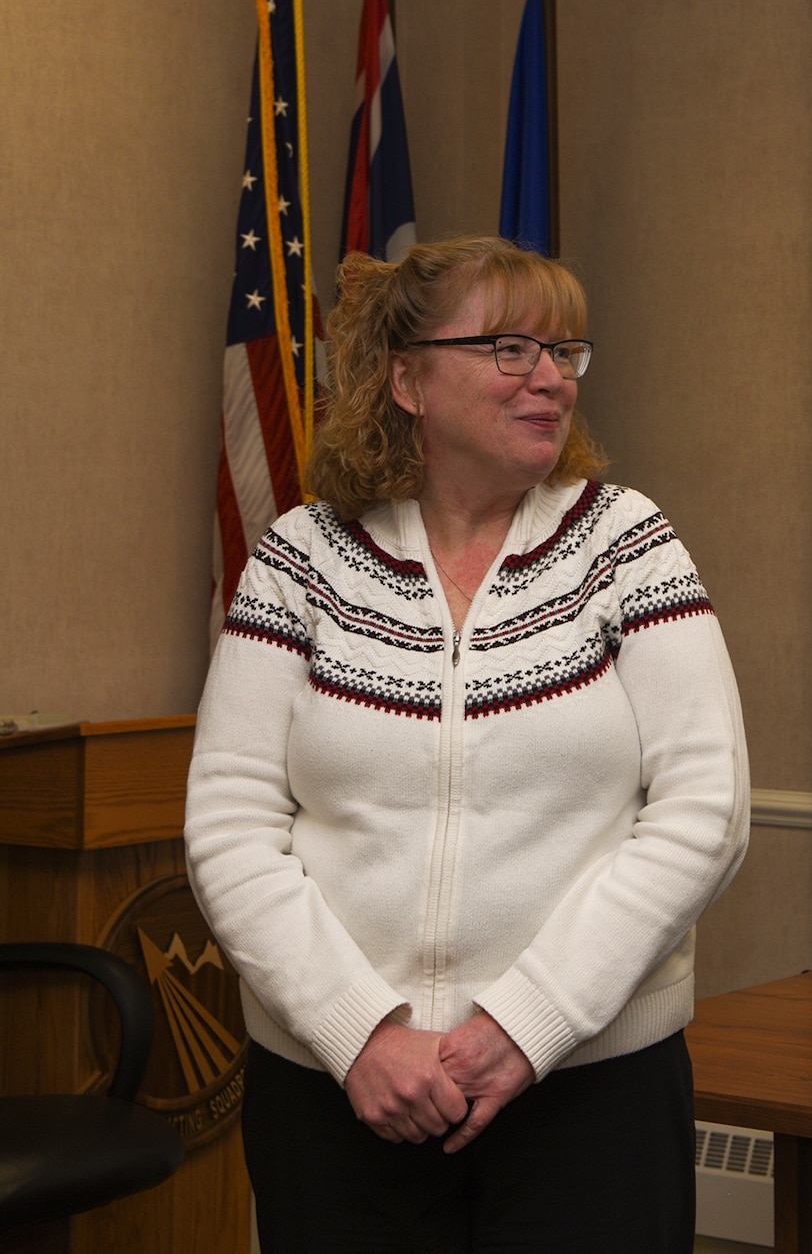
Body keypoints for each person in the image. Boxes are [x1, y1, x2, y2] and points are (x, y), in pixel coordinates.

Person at [185, 237, 750, 1252]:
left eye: (562, 352)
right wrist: (360, 1029)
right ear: (406, 379)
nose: (548, 376)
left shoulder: (627, 543)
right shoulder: (301, 561)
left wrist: (523, 1025)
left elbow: (705, 810)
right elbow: (229, 825)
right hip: (338, 1093)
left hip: (588, 1091)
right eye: (508, 348)